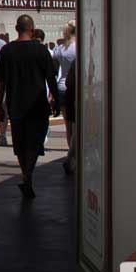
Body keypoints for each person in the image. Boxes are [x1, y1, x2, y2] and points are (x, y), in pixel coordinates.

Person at [0, 15, 59, 199]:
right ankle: (28, 175)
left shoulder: (7, 50)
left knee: (20, 143)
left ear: (16, 28)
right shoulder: (41, 50)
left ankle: (26, 174)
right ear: (32, 29)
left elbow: (1, 82)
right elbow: (51, 78)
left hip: (15, 103)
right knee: (35, 142)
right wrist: (55, 100)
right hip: (37, 104)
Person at [53, 22, 78, 174]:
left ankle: (71, 154)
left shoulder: (61, 49)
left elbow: (54, 68)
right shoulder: (78, 48)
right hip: (75, 87)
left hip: (62, 87)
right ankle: (73, 156)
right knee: (77, 125)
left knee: (68, 125)